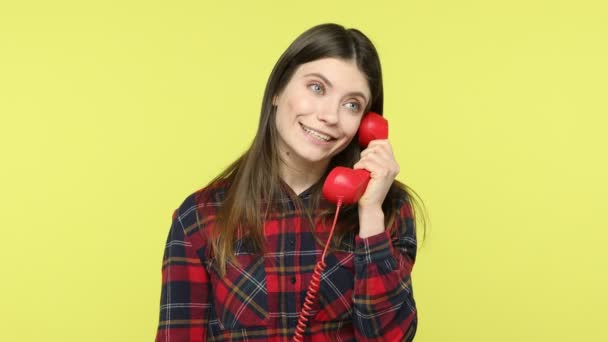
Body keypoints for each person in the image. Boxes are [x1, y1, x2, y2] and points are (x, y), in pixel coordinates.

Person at [155, 23, 425, 342]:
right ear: (277, 91)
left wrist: (371, 217)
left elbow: (391, 337)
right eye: (317, 88)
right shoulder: (200, 217)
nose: (330, 116)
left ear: (368, 124)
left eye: (352, 104)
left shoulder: (387, 208)